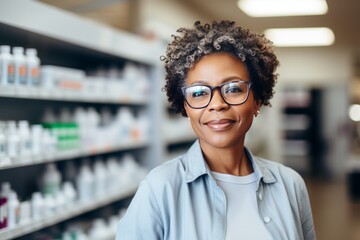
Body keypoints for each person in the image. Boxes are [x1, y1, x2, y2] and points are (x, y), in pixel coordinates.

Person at [116, 20, 316, 240]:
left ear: (257, 100)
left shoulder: (290, 185)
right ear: (185, 106)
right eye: (199, 92)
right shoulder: (159, 189)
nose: (216, 104)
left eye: (233, 89)